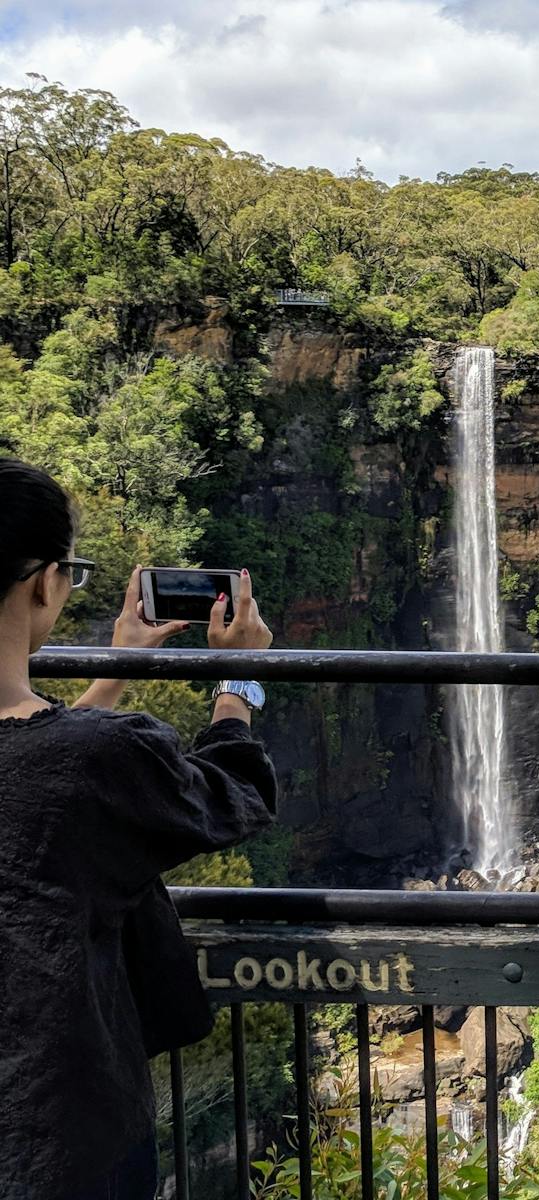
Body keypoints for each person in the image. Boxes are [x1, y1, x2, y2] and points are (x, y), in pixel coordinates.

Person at [0, 459, 278, 1200]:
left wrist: (123, 658)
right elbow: (236, 795)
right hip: (60, 1130)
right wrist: (237, 684)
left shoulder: (79, 756)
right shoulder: (105, 757)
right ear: (43, 583)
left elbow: (36, 750)